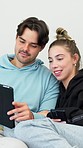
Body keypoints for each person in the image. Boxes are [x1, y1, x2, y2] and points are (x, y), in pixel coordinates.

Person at [14, 27, 83, 148]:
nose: (54, 65)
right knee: (20, 128)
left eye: (59, 59)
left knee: (25, 128)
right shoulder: (59, 90)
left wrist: (52, 115)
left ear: (75, 59)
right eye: (51, 61)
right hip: (71, 137)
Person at [0, 17, 59, 147]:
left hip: (18, 136)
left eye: (33, 45)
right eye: (22, 41)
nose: (25, 49)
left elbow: (47, 115)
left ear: (41, 48)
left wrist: (32, 115)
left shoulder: (49, 78)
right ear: (16, 38)